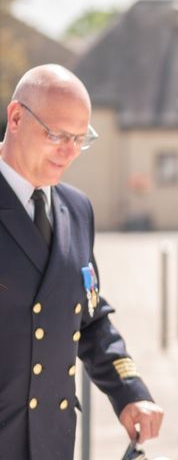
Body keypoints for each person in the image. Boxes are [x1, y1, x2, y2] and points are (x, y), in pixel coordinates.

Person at [0, 64, 164, 460]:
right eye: (57, 135)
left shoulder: (76, 209)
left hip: (52, 443)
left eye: (80, 138)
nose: (70, 151)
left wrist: (129, 392)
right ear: (17, 117)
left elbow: (88, 317)